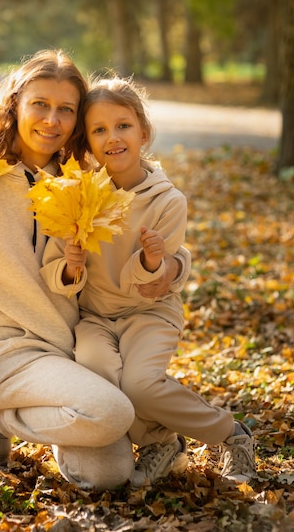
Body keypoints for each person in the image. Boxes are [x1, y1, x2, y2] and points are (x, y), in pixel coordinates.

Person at [0, 49, 186, 491]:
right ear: (15, 105)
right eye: (40, 105)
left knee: (109, 474)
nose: (52, 120)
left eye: (66, 110)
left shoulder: (86, 179)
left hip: (71, 349)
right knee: (112, 413)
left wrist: (176, 264)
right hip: (5, 352)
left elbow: (150, 223)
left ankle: (9, 415)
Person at [41, 75, 256, 487]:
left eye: (122, 125)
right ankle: (162, 442)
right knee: (98, 375)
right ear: (86, 143)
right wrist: (72, 266)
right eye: (98, 130)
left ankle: (232, 435)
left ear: (144, 132)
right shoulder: (78, 196)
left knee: (139, 386)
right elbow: (58, 274)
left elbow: (150, 286)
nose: (112, 138)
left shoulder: (168, 201)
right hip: (96, 317)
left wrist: (154, 261)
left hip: (149, 313)